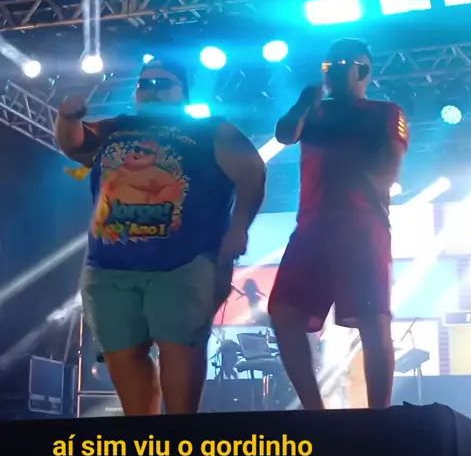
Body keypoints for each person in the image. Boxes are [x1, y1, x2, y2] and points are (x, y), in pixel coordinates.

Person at [55, 58, 266, 416]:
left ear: (184, 92)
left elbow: (252, 173)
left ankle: (180, 438)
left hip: (184, 263)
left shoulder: (211, 130)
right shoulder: (115, 127)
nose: (151, 91)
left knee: (181, 353)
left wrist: (240, 227)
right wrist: (68, 118)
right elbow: (74, 145)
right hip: (109, 266)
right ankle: (147, 441)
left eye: (162, 84)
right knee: (123, 356)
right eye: (145, 84)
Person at [268, 38, 409, 411]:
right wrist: (304, 101)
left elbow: (390, 167)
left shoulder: (385, 112)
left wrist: (365, 184)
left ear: (364, 71)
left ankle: (379, 415)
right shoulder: (313, 111)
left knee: (372, 318)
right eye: (329, 65)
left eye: (346, 65)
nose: (335, 71)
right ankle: (315, 411)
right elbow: (284, 134)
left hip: (362, 227)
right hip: (311, 228)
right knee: (283, 313)